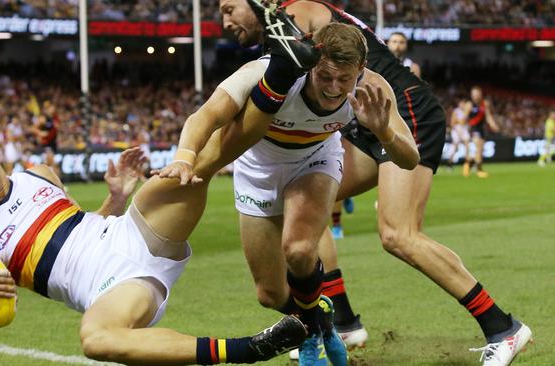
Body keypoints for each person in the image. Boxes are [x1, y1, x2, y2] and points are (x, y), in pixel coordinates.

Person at [217, 0, 532, 364]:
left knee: (398, 234)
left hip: (397, 111)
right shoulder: (285, 27)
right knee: (305, 202)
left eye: (230, 8)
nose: (225, 21)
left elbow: (287, 76)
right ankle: (345, 321)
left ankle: (503, 327)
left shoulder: (297, 12)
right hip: (360, 120)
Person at [158, 20, 419, 365]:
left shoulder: (371, 89)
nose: (333, 88)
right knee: (269, 294)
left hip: (316, 161)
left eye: (345, 79)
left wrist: (384, 131)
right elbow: (206, 115)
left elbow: (410, 158)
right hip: (256, 169)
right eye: (325, 76)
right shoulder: (266, 72)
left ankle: (309, 336)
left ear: (361, 69)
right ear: (312, 62)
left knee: (298, 250)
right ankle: (320, 320)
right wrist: (184, 157)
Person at [0, 124, 307, 365]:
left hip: (128, 233)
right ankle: (246, 349)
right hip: (112, 290)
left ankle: (280, 101)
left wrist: (116, 199)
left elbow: (78, 229)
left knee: (196, 165)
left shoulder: (39, 175)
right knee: (95, 339)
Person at [463, 86, 500, 178]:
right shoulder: (469, 105)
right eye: (473, 94)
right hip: (473, 128)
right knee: (478, 146)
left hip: (481, 128)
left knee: (480, 150)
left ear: (480, 94)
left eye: (477, 94)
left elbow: (488, 116)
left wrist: (493, 125)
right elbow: (464, 118)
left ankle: (468, 163)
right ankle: (479, 170)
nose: (475, 96)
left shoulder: (485, 104)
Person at [447, 99, 471, 169]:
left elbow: (465, 122)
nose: (463, 105)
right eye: (461, 103)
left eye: (464, 104)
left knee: (467, 146)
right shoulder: (456, 111)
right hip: (457, 130)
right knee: (455, 147)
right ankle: (449, 164)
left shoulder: (466, 111)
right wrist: (458, 131)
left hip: (464, 129)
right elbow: (452, 123)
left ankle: (467, 164)